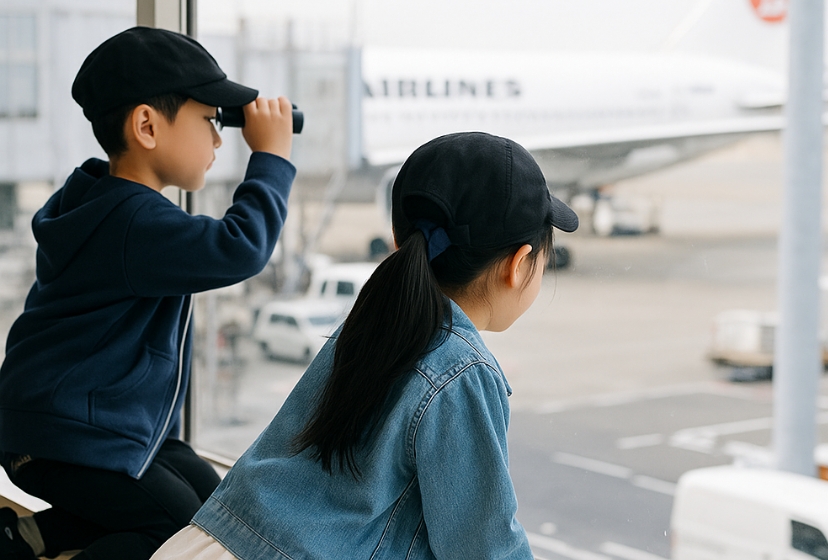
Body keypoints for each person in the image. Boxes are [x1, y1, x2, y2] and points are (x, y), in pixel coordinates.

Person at [151, 131, 579, 560]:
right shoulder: (462, 373)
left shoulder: (372, 322)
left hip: (201, 545)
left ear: (399, 238)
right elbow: (487, 548)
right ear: (520, 264)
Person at [0, 26, 296, 560]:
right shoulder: (133, 221)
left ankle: (26, 538)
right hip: (67, 439)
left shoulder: (96, 200)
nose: (219, 139)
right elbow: (239, 247)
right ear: (146, 126)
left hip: (70, 427)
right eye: (209, 121)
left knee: (212, 505)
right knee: (173, 534)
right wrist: (271, 157)